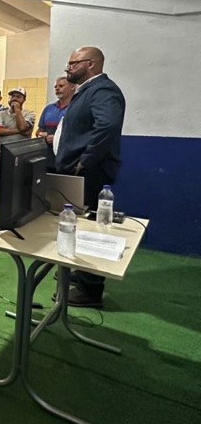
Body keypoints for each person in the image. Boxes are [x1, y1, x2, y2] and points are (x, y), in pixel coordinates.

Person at [54, 46, 125, 308]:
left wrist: (84, 160)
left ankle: (90, 290)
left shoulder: (103, 90)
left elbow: (106, 125)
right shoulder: (88, 90)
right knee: (81, 225)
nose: (68, 68)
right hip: (82, 171)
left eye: (73, 64)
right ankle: (84, 275)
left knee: (90, 227)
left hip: (90, 173)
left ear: (91, 64)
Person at [0, 87, 36, 203]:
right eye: (12, 96)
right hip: (1, 159)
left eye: (18, 96)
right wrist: (21, 131)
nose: (14, 99)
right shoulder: (0, 114)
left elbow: (23, 127)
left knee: (18, 192)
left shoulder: (29, 114)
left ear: (24, 99)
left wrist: (17, 111)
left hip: (21, 160)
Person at [37, 76, 76, 173]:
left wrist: (57, 139)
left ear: (72, 87)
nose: (57, 88)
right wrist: (40, 135)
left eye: (61, 86)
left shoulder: (76, 109)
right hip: (47, 161)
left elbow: (79, 135)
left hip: (68, 161)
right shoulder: (49, 108)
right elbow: (39, 130)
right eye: (55, 87)